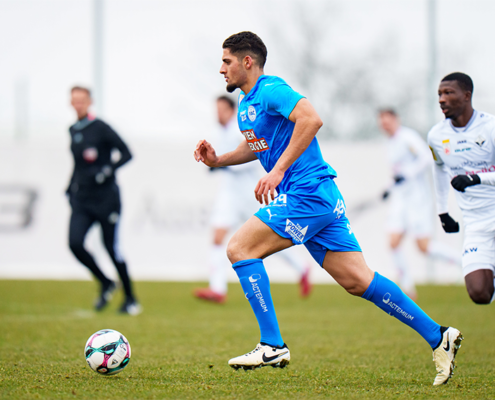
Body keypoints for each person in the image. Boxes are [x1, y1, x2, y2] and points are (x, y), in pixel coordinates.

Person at [194, 31, 462, 385]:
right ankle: (438, 336)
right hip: (320, 196)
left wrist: (278, 171)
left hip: (307, 193)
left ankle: (272, 344)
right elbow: (256, 145)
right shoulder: (246, 104)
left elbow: (311, 119)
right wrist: (219, 160)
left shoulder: (271, 89)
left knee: (240, 248)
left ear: (247, 61)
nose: (221, 69)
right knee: (358, 280)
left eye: (226, 61)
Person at [194, 96, 312, 303]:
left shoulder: (238, 130)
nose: (218, 113)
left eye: (221, 109)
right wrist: (213, 163)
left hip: (250, 193)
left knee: (267, 237)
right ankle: (218, 289)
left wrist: (224, 164)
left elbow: (256, 156)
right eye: (216, 109)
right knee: (218, 237)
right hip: (229, 194)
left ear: (231, 110)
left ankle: (302, 267)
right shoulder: (220, 133)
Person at [67, 86, 140, 315]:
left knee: (111, 248)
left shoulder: (101, 127)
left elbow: (126, 153)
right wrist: (70, 187)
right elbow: (79, 165)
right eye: (74, 100)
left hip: (106, 199)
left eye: (82, 100)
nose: (78, 104)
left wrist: (108, 170)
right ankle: (106, 282)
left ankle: (130, 299)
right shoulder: (73, 130)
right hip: (82, 199)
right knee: (75, 243)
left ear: (90, 102)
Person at [428, 72, 495, 305]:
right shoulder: (436, 136)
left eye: (448, 93)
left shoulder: (490, 127)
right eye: (439, 94)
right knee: (479, 293)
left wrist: (476, 179)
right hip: (475, 223)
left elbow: (474, 178)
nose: (441, 99)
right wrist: (442, 211)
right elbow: (438, 168)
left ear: (467, 96)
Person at [378, 109, 461, 298]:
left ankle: (463, 262)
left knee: (424, 247)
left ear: (395, 119)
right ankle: (407, 288)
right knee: (393, 242)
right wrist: (388, 188)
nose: (384, 125)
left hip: (417, 200)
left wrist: (408, 173)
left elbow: (426, 157)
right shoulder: (390, 143)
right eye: (381, 122)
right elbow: (397, 173)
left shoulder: (408, 137)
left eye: (387, 120)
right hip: (400, 200)